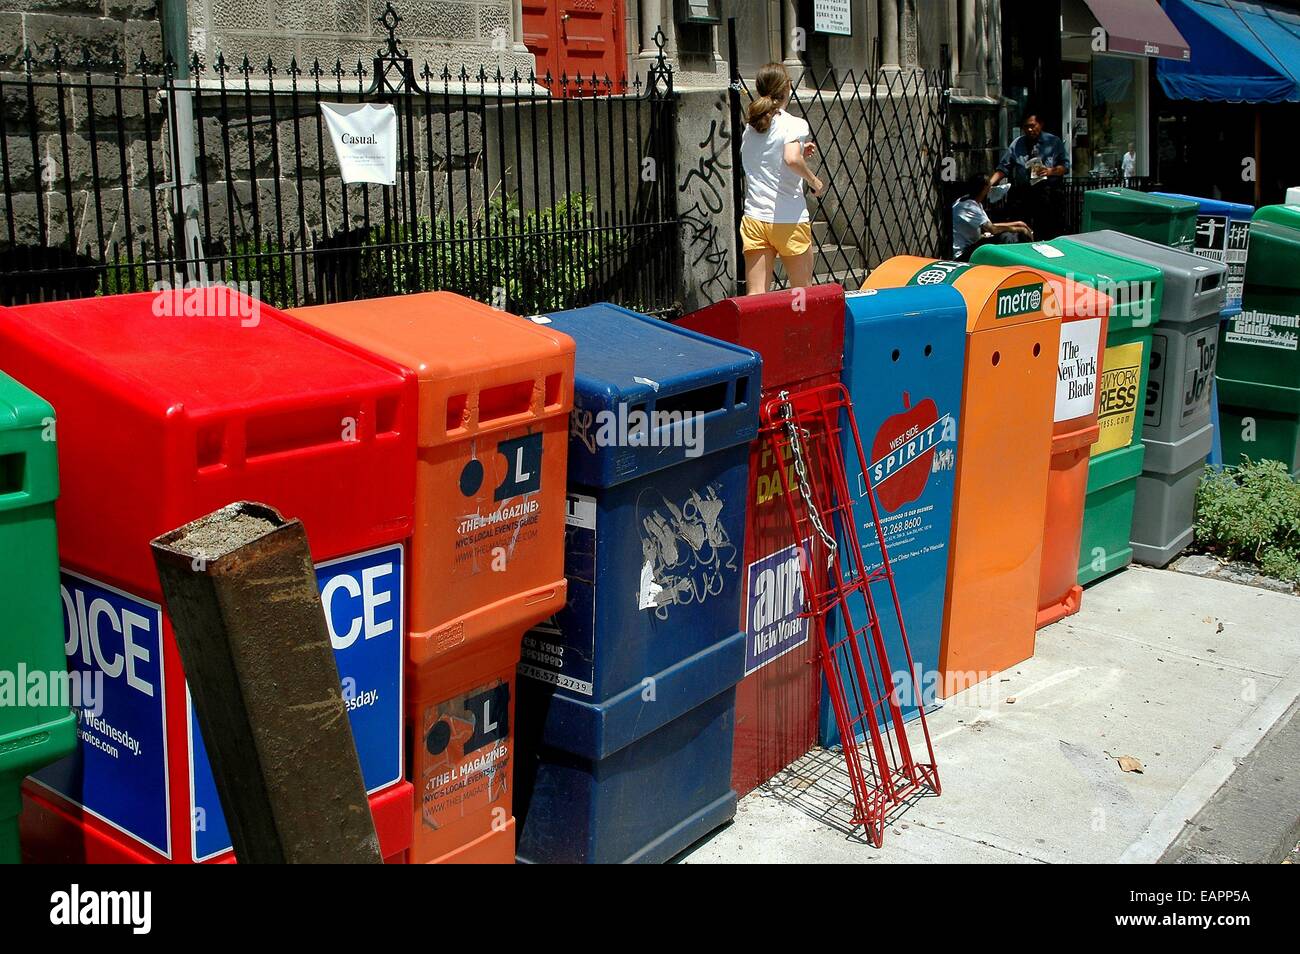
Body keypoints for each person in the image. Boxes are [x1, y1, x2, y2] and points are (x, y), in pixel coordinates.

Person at [739, 62, 825, 294]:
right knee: (801, 293)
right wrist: (814, 181)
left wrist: (798, 147)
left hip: (755, 218)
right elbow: (791, 159)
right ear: (787, 87)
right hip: (788, 218)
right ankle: (800, 331)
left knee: (756, 296)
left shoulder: (751, 127)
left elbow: (768, 155)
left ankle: (756, 332)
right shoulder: (794, 124)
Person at [990, 113, 1069, 240]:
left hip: (1048, 194)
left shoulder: (1054, 142)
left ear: (1041, 124)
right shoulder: (1017, 144)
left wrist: (1050, 171)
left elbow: (1065, 167)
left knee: (1048, 232)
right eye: (1026, 127)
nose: (1030, 130)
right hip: (1025, 195)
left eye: (1032, 126)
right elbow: (1004, 167)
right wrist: (988, 184)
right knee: (1024, 232)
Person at [951, 173, 1033, 260]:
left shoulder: (972, 202)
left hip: (972, 247)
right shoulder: (969, 206)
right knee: (1006, 237)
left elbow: (990, 225)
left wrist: (1019, 223)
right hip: (963, 254)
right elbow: (993, 229)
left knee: (1007, 234)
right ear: (985, 188)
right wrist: (1018, 229)